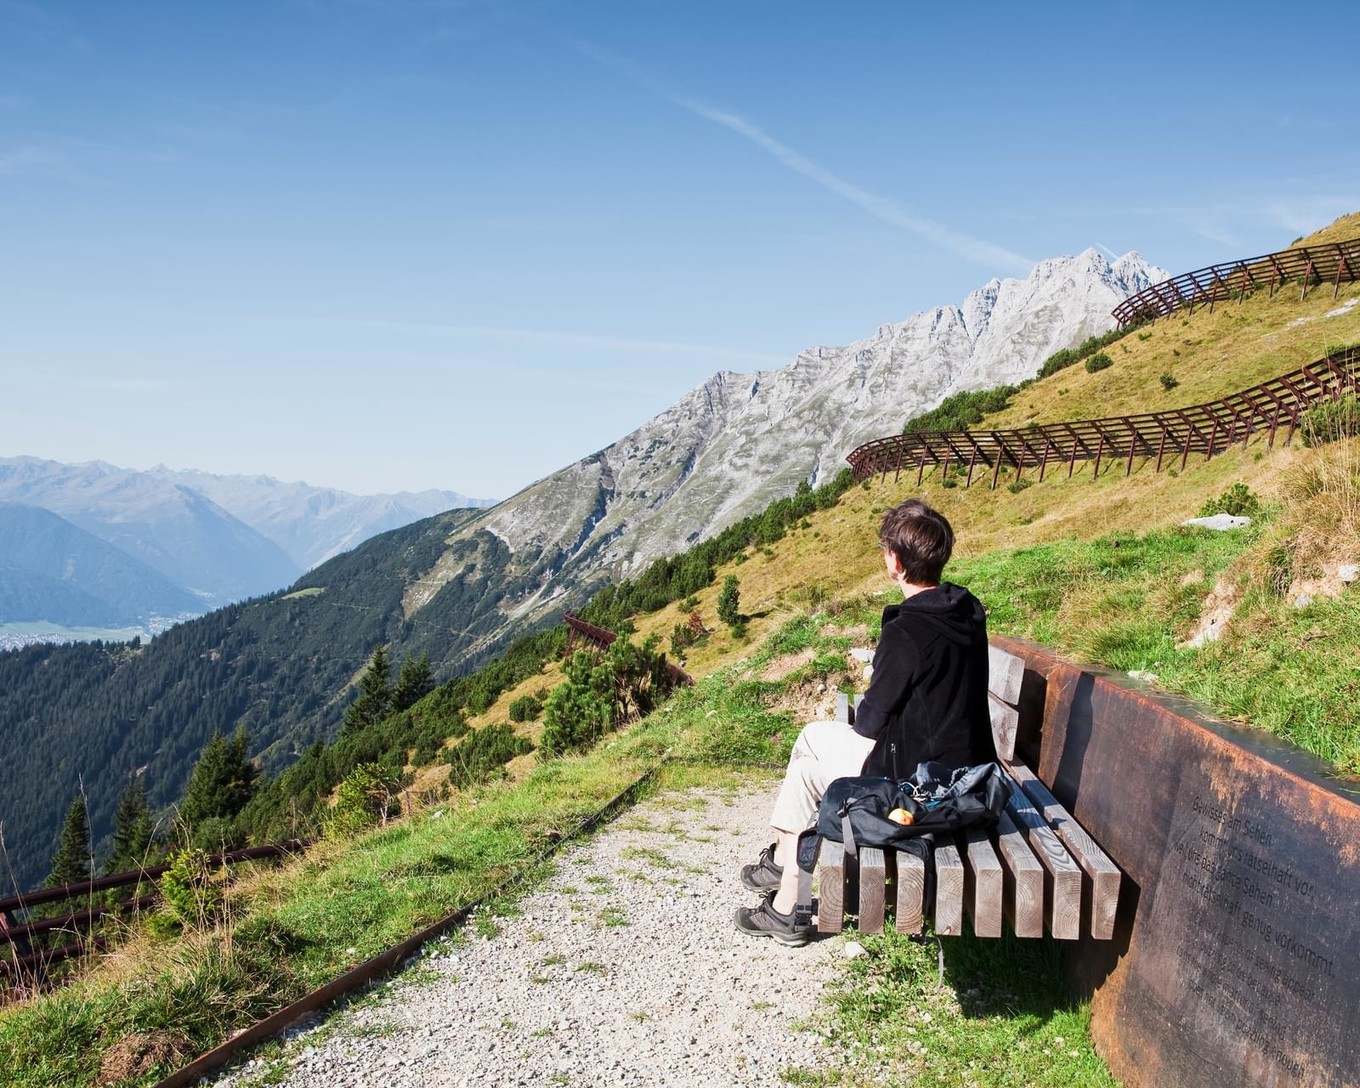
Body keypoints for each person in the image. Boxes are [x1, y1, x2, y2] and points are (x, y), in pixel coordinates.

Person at [735, 498, 994, 945]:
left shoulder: (907, 629)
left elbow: (869, 723)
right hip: (964, 767)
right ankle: (781, 858)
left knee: (806, 769)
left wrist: (880, 676)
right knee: (811, 737)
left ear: (895, 561)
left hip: (918, 782)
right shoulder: (964, 608)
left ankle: (787, 904)